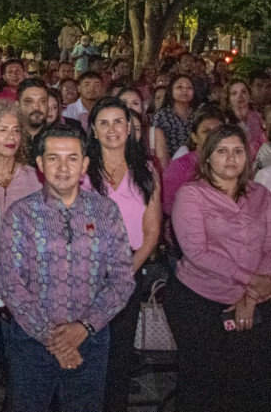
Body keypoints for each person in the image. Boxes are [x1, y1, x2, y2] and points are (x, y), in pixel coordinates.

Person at [0, 126, 134, 412]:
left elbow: (122, 279)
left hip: (91, 341)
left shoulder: (105, 211)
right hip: (31, 344)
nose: (62, 168)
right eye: (53, 158)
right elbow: (11, 283)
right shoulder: (20, 214)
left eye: (72, 158)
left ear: (85, 163)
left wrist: (83, 328)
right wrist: (54, 339)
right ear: (39, 164)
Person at [166, 124, 271, 412]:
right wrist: (249, 280)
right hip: (201, 300)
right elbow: (198, 253)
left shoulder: (260, 194)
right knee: (205, 385)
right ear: (207, 157)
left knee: (254, 381)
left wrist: (251, 296)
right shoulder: (191, 195)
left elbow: (269, 246)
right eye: (222, 151)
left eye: (238, 151)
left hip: (257, 298)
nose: (231, 158)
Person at [82, 99, 161, 412]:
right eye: (104, 122)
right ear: (95, 131)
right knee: (85, 351)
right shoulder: (83, 169)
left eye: (119, 122)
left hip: (129, 268)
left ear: (130, 128)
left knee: (118, 354)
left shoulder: (147, 170)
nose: (112, 129)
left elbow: (152, 232)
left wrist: (122, 273)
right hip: (85, 269)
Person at [152, 74, 196, 168]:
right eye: (179, 87)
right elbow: (160, 152)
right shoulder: (161, 116)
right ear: (171, 91)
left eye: (189, 87)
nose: (184, 90)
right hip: (171, 167)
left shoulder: (198, 115)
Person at [224, 80, 267, 158]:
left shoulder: (259, 117)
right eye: (234, 93)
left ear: (249, 95)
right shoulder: (226, 123)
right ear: (228, 100)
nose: (240, 95)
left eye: (243, 92)